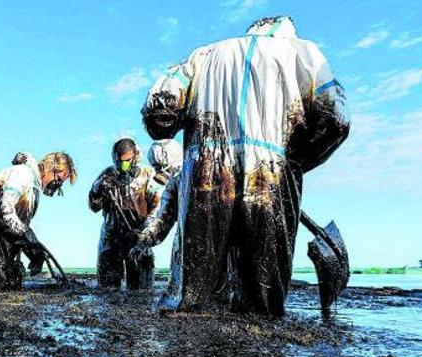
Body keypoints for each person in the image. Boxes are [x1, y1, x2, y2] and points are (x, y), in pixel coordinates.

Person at [133, 16, 349, 316]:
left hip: (205, 174)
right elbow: (336, 120)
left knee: (192, 290)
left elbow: (160, 111)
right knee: (262, 294)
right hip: (270, 175)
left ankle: (182, 345)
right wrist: (294, 164)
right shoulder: (304, 53)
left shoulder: (203, 56)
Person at [0, 151, 77, 289]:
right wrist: (30, 241)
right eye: (58, 179)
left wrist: (33, 249)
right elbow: (5, 210)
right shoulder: (23, 174)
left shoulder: (33, 190)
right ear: (49, 167)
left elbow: (17, 226)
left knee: (10, 281)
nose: (57, 185)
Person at [89, 138, 163, 290]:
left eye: (127, 161)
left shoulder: (148, 176)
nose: (124, 165)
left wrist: (143, 233)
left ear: (136, 156)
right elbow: (94, 206)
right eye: (120, 161)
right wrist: (98, 190)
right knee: (106, 289)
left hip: (138, 236)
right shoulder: (107, 175)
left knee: (141, 292)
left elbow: (156, 208)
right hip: (111, 237)